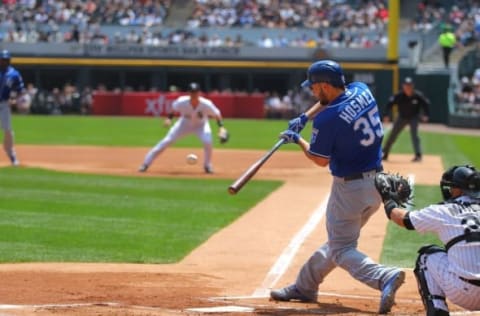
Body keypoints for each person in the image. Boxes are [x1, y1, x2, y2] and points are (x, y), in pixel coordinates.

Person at [270, 60, 405, 314]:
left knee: (342, 248)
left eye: (313, 86)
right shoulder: (361, 89)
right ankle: (305, 286)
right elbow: (327, 102)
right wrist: (305, 116)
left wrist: (297, 139)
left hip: (350, 190)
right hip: (378, 185)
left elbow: (320, 160)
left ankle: (384, 276)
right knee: (337, 241)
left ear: (323, 85)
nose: (311, 91)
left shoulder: (328, 120)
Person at [380, 165, 480, 315]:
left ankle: (437, 311)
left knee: (426, 256)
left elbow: (403, 220)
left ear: (459, 189)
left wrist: (388, 200)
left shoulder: (444, 211)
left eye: (452, 187)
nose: (450, 190)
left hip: (464, 293)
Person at [138, 82, 228, 174]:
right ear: (189, 93)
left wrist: (221, 127)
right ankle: (145, 164)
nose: (194, 94)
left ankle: (207, 166)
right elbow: (173, 109)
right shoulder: (182, 101)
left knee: (208, 141)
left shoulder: (206, 103)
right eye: (192, 92)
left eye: (195, 92)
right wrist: (169, 119)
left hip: (201, 125)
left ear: (199, 93)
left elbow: (217, 114)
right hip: (184, 124)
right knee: (166, 141)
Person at [381, 77, 430, 162]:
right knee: (393, 135)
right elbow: (389, 104)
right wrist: (386, 115)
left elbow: (426, 104)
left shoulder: (417, 95)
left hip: (413, 117)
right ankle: (384, 153)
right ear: (403, 86)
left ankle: (418, 155)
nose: (408, 87)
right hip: (402, 117)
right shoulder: (399, 95)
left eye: (409, 85)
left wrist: (426, 115)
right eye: (406, 85)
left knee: (415, 136)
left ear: (412, 86)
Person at [0, 49, 26, 166]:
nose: (4, 62)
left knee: (8, 131)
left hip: (4, 105)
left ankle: (12, 155)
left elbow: (20, 90)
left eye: (6, 59)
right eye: (2, 59)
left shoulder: (14, 74)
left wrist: (15, 100)